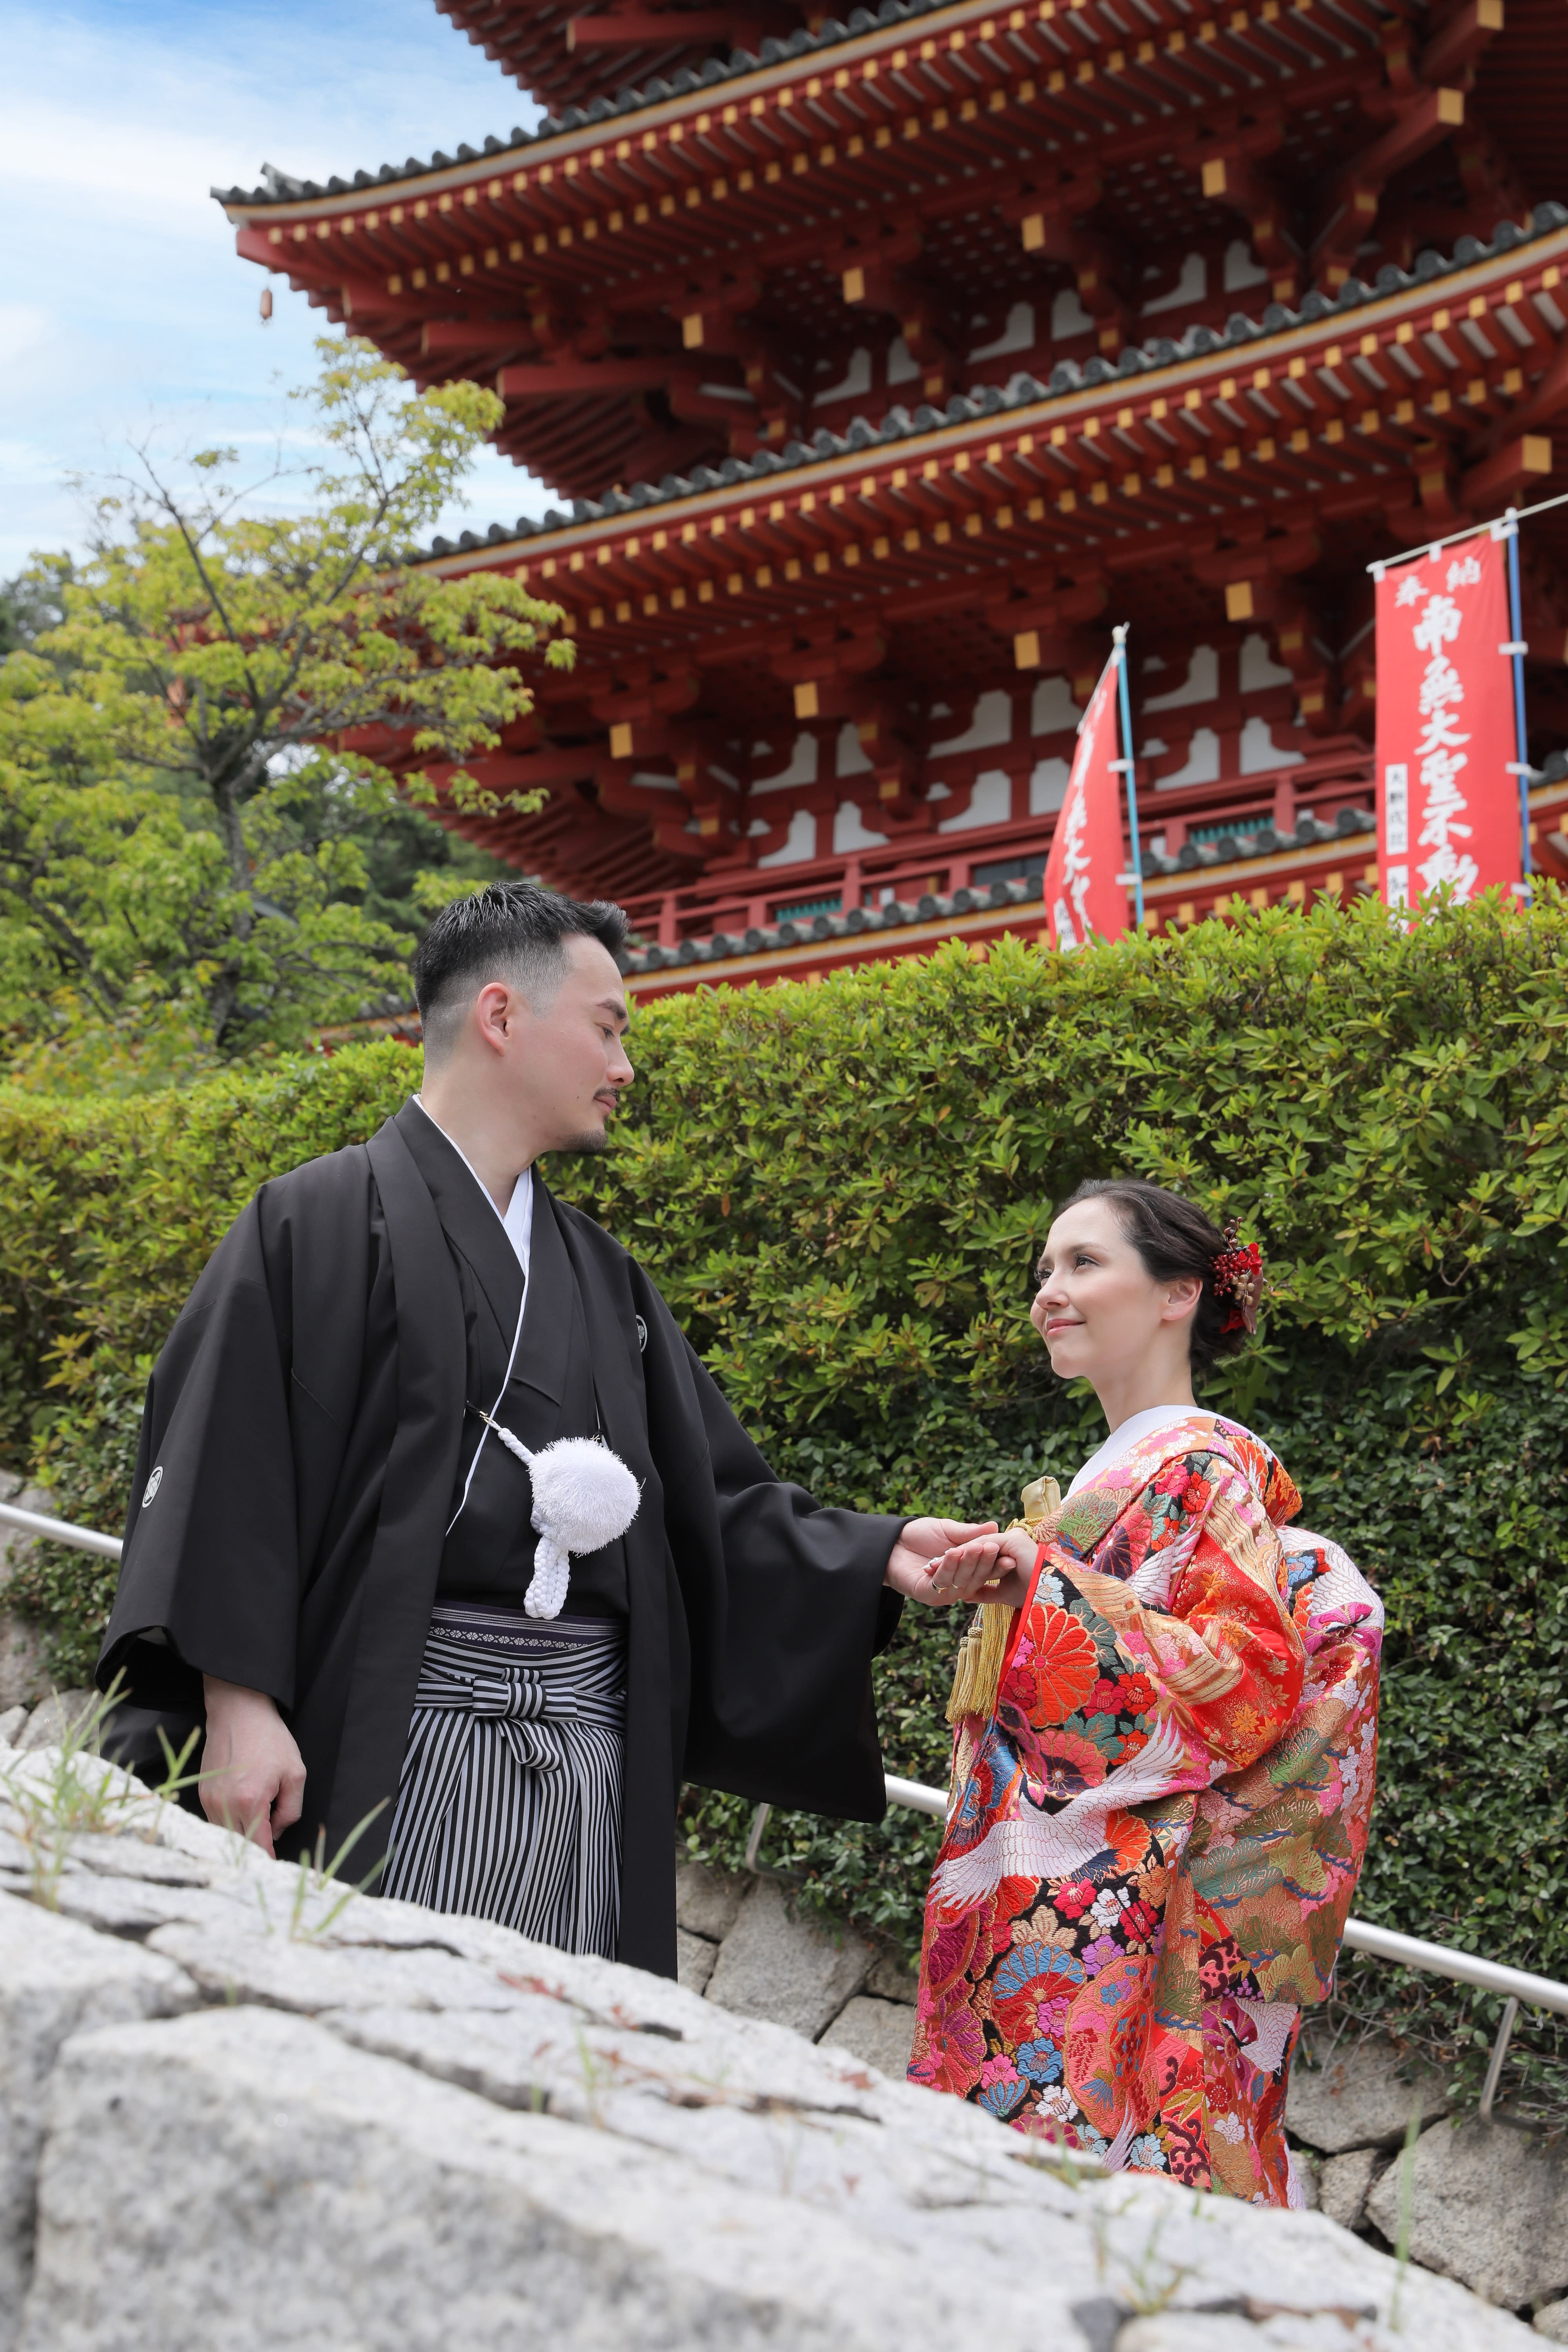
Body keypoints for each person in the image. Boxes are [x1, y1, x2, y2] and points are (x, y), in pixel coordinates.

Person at [96, 882, 991, 1976]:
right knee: (387, 2021)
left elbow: (698, 1501)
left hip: (587, 1762)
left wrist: (874, 1553)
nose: (625, 1067)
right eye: (608, 1029)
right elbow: (225, 1471)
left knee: (555, 2048)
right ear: (501, 1015)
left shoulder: (603, 1277)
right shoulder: (312, 1224)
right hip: (388, 1729)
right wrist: (238, 1703)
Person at [904, 1179, 1383, 2205]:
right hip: (1060, 1889)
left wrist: (1048, 1584)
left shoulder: (1199, 1463)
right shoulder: (1131, 1471)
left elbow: (1242, 1680)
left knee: (1081, 2201)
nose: (1049, 1290)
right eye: (1044, 1269)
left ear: (1178, 1294)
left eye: (1084, 1263)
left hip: (1120, 1909)